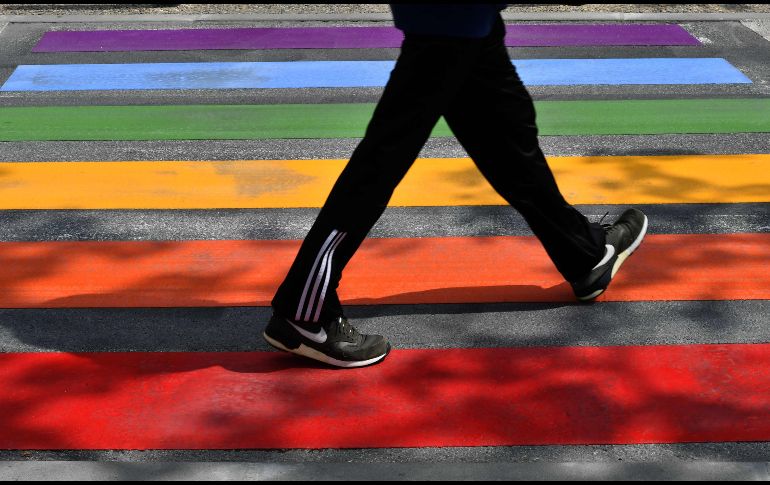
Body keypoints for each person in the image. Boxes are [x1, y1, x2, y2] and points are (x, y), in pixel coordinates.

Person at [263, 4, 648, 368]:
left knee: (508, 133)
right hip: (448, 15)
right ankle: (304, 309)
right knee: (384, 156)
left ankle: (584, 254)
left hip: (470, 15)